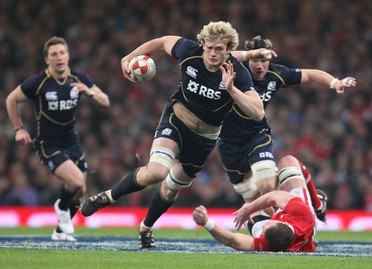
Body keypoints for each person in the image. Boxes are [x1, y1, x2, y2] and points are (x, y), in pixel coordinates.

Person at [80, 21, 274, 247]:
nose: (213, 53)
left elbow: (258, 112)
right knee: (156, 172)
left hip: (203, 140)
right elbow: (163, 42)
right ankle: (106, 197)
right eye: (209, 47)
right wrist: (127, 58)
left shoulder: (237, 73)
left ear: (229, 50)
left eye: (219, 49)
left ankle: (145, 227)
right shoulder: (189, 51)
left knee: (171, 190)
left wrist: (231, 89)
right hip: (175, 121)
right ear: (202, 44)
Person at [217, 36, 356, 220]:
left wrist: (334, 82)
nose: (260, 65)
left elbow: (310, 74)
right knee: (253, 203)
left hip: (256, 135)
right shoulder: (234, 70)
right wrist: (247, 54)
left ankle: (295, 216)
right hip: (229, 143)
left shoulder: (276, 74)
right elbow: (221, 56)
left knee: (266, 185)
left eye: (264, 60)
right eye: (255, 60)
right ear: (248, 58)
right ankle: (299, 202)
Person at [5, 36, 110, 241]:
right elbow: (11, 99)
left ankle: (60, 232)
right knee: (77, 181)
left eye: (62, 53)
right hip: (48, 143)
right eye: (54, 54)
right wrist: (19, 128)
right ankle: (61, 207)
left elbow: (105, 101)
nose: (59, 57)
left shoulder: (79, 79)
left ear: (68, 56)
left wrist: (88, 92)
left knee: (80, 190)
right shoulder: (38, 82)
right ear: (47, 60)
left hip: (72, 141)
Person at [193, 155, 319, 252]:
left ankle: (267, 179)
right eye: (267, 225)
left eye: (264, 230)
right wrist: (249, 209)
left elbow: (233, 241)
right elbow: (274, 196)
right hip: (305, 223)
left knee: (249, 209)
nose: (265, 226)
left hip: (289, 233)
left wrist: (206, 223)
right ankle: (319, 205)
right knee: (287, 161)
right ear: (282, 221)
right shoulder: (302, 215)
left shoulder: (267, 243)